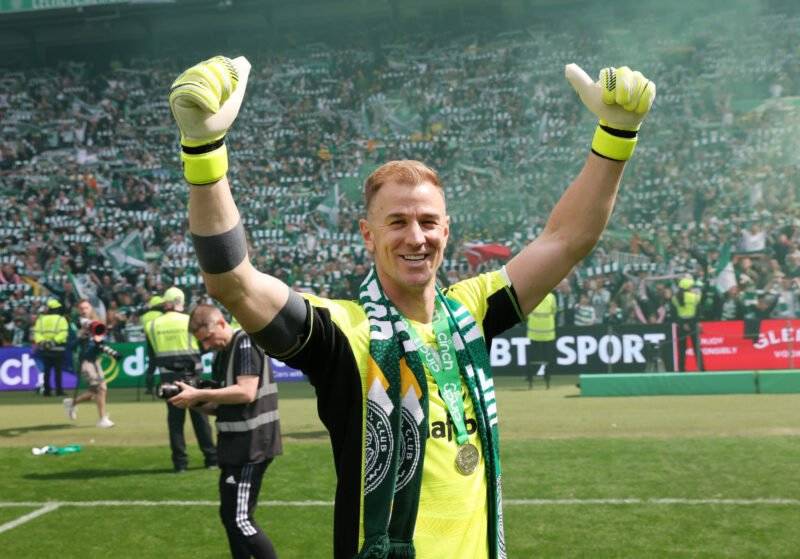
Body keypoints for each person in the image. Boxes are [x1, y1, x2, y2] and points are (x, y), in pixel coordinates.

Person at [169, 56, 654, 558]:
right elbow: (233, 282)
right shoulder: (345, 333)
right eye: (397, 221)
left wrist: (615, 138)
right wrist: (205, 156)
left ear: (446, 230)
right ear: (368, 233)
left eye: (427, 221)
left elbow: (568, 239)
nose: (415, 237)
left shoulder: (470, 312)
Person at [170, 304, 281, 559]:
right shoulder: (224, 352)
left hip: (252, 445)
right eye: (203, 342)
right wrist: (191, 401)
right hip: (235, 445)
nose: (207, 345)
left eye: (208, 338)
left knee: (241, 520)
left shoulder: (244, 341)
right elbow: (222, 407)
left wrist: (199, 393)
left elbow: (246, 391)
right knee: (229, 517)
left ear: (221, 322)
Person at [146, 286, 217, 472]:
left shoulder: (152, 325)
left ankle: (180, 464)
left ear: (166, 303)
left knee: (175, 422)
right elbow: (205, 346)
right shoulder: (190, 321)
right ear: (181, 302)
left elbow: (152, 355)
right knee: (201, 418)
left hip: (168, 378)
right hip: (193, 375)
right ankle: (211, 459)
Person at [63, 318, 120, 428]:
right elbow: (71, 347)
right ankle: (102, 419)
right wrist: (80, 338)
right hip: (86, 363)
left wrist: (110, 350)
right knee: (100, 388)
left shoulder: (98, 335)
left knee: (95, 391)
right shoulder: (83, 336)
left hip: (95, 362)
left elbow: (102, 346)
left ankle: (72, 403)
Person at [32, 298, 70, 396]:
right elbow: (63, 333)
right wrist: (53, 342)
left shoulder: (41, 319)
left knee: (47, 371)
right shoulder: (61, 319)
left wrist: (43, 342)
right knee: (58, 371)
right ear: (56, 309)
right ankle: (59, 391)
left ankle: (47, 391)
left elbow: (37, 334)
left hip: (45, 349)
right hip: (58, 348)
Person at [671, 276, 704, 371]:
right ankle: (701, 369)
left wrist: (682, 324)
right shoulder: (695, 297)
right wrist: (694, 324)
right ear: (689, 287)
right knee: (697, 348)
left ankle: (681, 369)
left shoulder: (674, 298)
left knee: (681, 349)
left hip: (681, 326)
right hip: (693, 325)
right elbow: (698, 313)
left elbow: (674, 315)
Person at [525, 291, 557, 389]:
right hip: (548, 333)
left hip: (533, 333)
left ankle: (530, 378)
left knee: (531, 358)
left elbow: (526, 312)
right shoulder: (551, 297)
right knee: (548, 358)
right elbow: (554, 311)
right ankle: (547, 377)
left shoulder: (530, 296)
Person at [140, 295, 165, 395]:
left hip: (150, 342)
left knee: (151, 366)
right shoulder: (162, 315)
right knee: (164, 366)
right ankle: (165, 386)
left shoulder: (144, 316)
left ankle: (149, 388)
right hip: (162, 343)